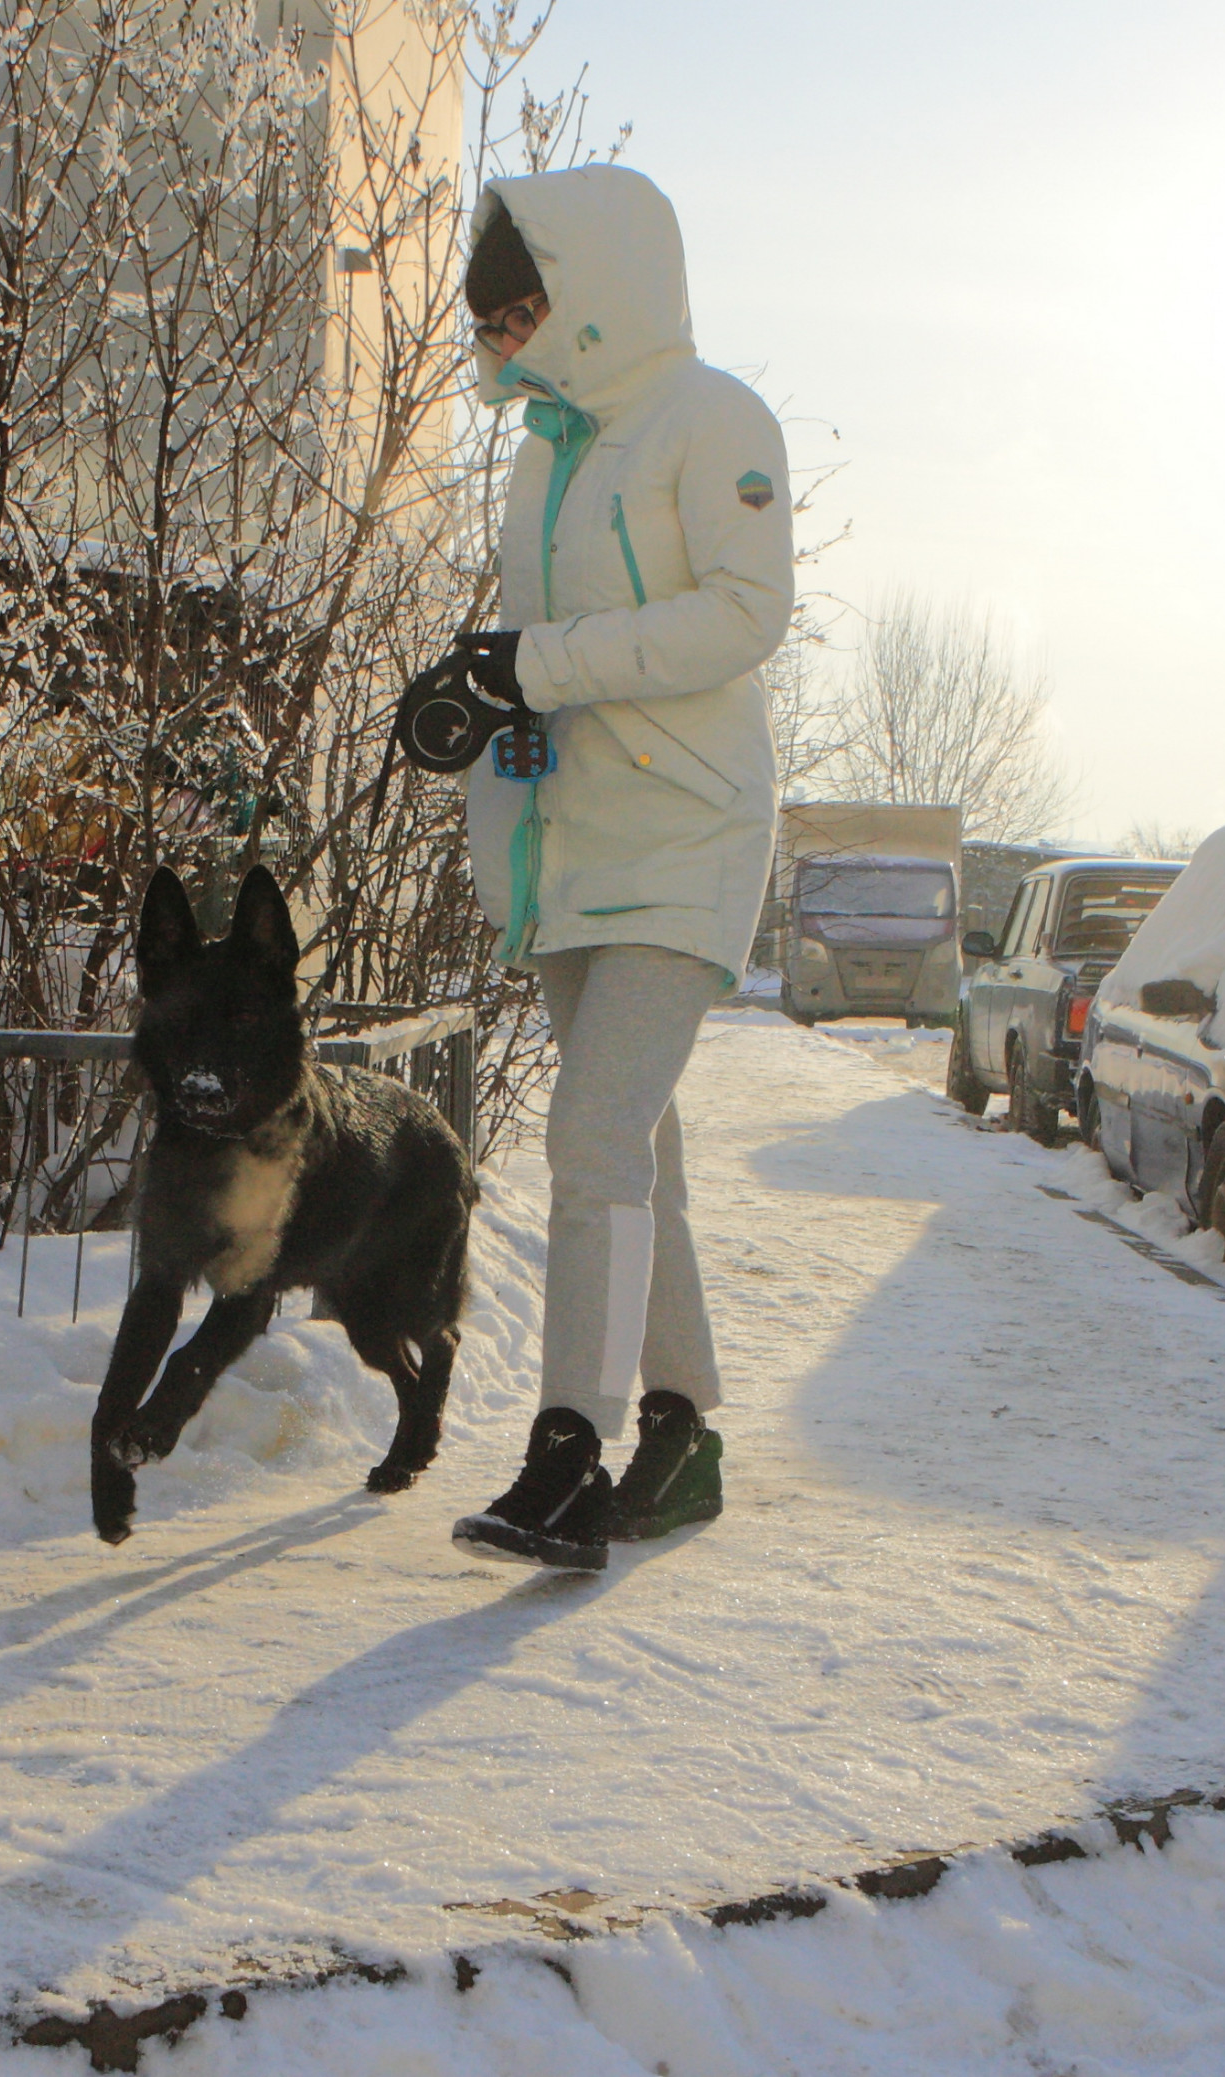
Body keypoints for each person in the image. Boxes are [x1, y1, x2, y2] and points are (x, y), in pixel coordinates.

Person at [434, 166, 794, 1572]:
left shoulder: (716, 419)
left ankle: (567, 1447)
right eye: (498, 318)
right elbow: (543, 653)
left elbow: (747, 613)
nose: (510, 338)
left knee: (592, 1136)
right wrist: (487, 696)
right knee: (639, 1148)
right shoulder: (549, 452)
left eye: (529, 307)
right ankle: (677, 1428)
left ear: (595, 291)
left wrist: (543, 664)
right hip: (573, 845)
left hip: (688, 834)